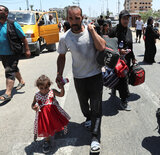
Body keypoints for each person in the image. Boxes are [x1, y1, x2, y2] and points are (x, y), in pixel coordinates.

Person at [56, 6, 106, 153]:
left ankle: (95, 137)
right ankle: (88, 118)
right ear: (67, 19)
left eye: (77, 18)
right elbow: (61, 56)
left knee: (96, 107)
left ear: (82, 17)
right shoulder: (65, 37)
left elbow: (102, 46)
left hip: (95, 76)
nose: (74, 21)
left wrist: (92, 31)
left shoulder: (91, 32)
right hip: (79, 78)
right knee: (84, 106)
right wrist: (59, 73)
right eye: (71, 18)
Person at [32, 75, 70, 153]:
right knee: (46, 128)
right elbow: (33, 104)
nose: (44, 90)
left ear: (49, 85)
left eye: (46, 87)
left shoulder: (52, 91)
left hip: (54, 113)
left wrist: (62, 87)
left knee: (56, 123)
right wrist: (34, 107)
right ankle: (47, 141)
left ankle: (58, 130)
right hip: (43, 116)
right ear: (38, 87)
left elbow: (61, 94)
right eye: (41, 88)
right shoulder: (37, 95)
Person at [108, 10, 136, 111]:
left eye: (127, 18)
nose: (126, 20)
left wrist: (133, 57)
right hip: (116, 60)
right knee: (120, 78)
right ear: (120, 19)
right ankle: (124, 100)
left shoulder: (128, 31)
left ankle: (119, 94)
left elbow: (130, 45)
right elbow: (108, 45)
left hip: (126, 60)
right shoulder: (113, 31)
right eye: (124, 18)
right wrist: (119, 51)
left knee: (124, 78)